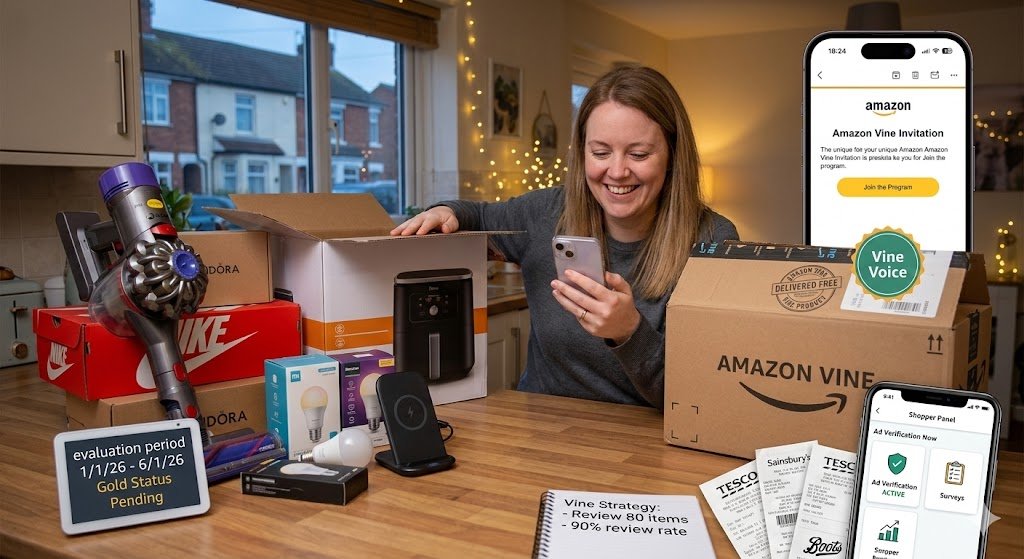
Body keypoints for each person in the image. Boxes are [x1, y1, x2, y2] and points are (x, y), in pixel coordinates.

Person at [391, 66, 738, 409]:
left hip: (649, 445)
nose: (617, 171)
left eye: (639, 154)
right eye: (600, 152)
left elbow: (704, 397)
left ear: (673, 156)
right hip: (544, 436)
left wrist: (630, 332)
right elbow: (475, 215)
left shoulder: (714, 240)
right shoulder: (545, 213)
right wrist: (445, 211)